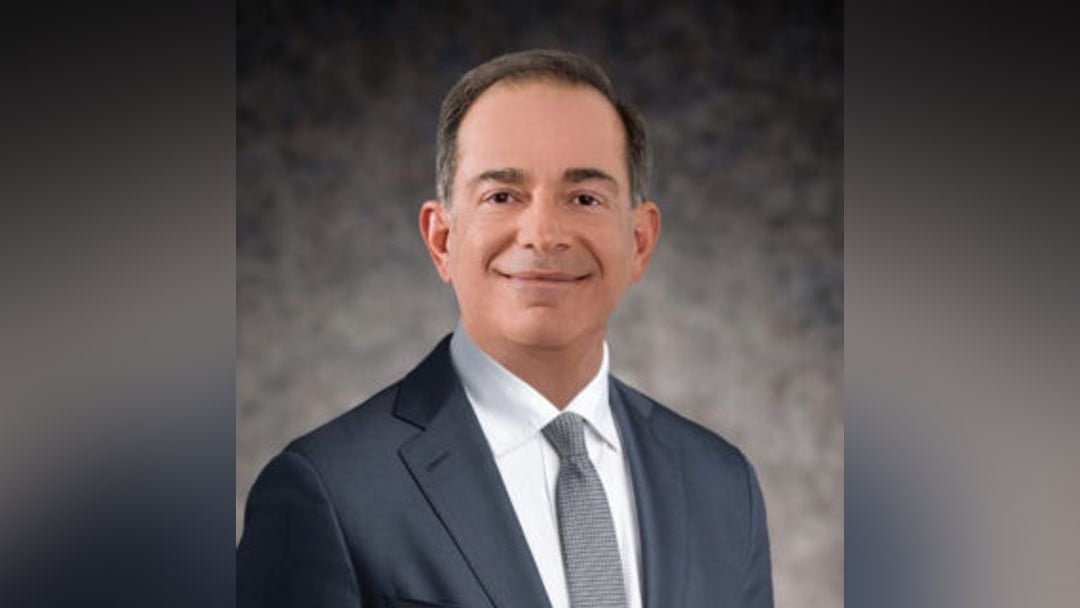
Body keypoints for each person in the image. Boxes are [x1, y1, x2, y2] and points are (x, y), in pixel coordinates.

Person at [237, 49, 773, 608]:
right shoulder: (330, 490)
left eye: (584, 198)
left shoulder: (722, 485)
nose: (543, 234)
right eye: (502, 196)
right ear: (441, 239)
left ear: (639, 241)